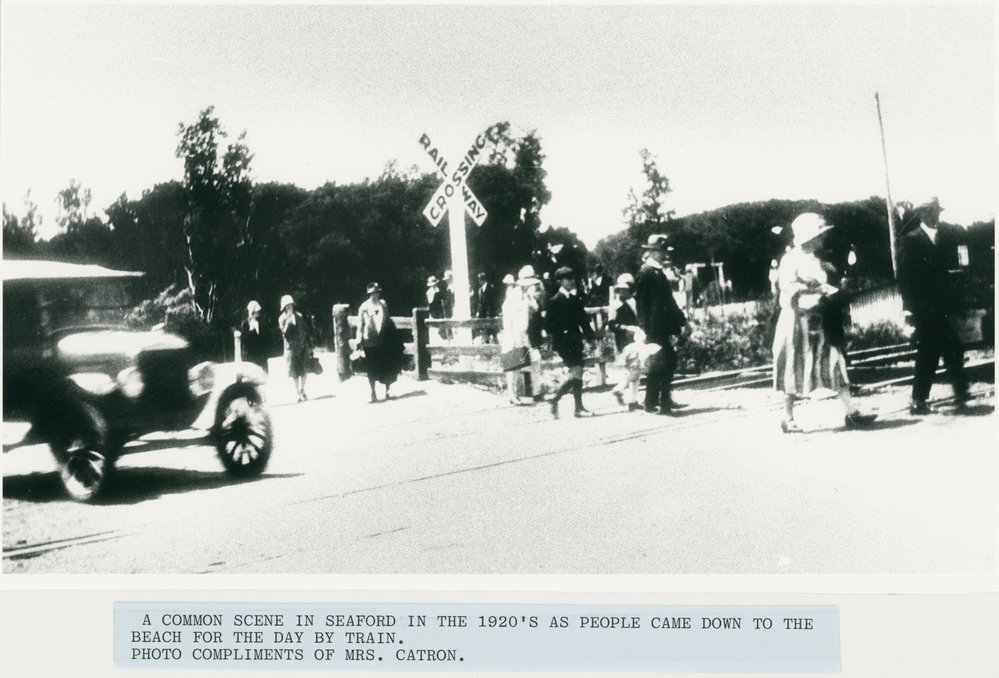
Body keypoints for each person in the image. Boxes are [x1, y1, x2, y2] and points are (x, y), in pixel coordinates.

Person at [772, 213, 877, 432]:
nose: (822, 239)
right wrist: (815, 289)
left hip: (820, 320)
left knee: (834, 361)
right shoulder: (790, 259)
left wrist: (832, 292)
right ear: (808, 236)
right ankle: (787, 417)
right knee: (793, 366)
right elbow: (788, 289)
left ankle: (851, 412)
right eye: (819, 235)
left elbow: (823, 285)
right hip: (797, 322)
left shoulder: (817, 258)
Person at [896, 197, 970, 415]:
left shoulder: (948, 236)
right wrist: (909, 308)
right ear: (921, 214)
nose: (934, 216)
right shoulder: (910, 240)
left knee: (937, 351)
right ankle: (953, 395)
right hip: (923, 308)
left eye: (936, 211)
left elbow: (958, 265)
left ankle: (924, 399)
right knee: (942, 349)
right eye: (929, 212)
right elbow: (903, 278)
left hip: (945, 305)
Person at [635, 235, 691, 415]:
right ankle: (652, 403)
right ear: (651, 252)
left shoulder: (659, 272)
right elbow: (641, 303)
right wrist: (644, 328)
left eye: (664, 251)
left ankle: (663, 400)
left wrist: (682, 320)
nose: (663, 255)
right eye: (660, 251)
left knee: (668, 363)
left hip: (664, 325)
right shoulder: (646, 272)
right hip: (653, 327)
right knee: (659, 363)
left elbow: (670, 301)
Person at [545, 266, 596, 418]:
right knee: (577, 370)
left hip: (575, 341)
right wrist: (562, 331)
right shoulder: (554, 301)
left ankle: (558, 399)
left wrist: (590, 337)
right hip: (563, 342)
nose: (571, 281)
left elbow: (583, 321)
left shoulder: (575, 299)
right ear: (560, 281)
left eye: (573, 278)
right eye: (568, 279)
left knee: (577, 372)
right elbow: (548, 325)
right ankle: (575, 406)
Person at [501, 266, 545, 404]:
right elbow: (508, 317)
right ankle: (512, 394)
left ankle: (537, 391)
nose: (532, 285)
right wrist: (513, 337)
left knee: (535, 359)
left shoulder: (527, 295)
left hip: (525, 334)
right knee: (513, 364)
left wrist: (533, 306)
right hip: (513, 333)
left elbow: (535, 308)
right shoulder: (513, 295)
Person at [358, 282, 404, 403]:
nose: (376, 294)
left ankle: (387, 390)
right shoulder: (364, 307)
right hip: (370, 342)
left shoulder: (383, 304)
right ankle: (373, 392)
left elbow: (387, 319)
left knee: (386, 366)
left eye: (378, 292)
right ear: (370, 294)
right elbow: (360, 326)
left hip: (383, 340)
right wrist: (359, 341)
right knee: (371, 368)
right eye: (374, 293)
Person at [608, 273, 644, 411]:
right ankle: (619, 389)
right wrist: (625, 328)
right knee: (635, 368)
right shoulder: (615, 305)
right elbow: (611, 325)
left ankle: (632, 401)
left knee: (636, 369)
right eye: (621, 289)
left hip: (637, 337)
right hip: (624, 340)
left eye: (626, 289)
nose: (624, 291)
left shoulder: (634, 301)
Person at [278, 294, 312, 402]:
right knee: (295, 372)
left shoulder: (299, 316)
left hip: (303, 346)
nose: (289, 308)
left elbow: (305, 331)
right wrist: (288, 323)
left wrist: (309, 346)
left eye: (290, 305)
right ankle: (297, 393)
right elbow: (284, 334)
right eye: (287, 306)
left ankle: (303, 389)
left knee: (305, 369)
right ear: (284, 307)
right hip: (291, 349)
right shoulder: (282, 319)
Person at [239, 300, 270, 372]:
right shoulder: (245, 324)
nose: (258, 313)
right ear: (252, 312)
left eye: (258, 311)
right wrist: (251, 330)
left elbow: (265, 338)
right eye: (256, 311)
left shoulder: (262, 322)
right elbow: (244, 339)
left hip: (261, 355)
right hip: (250, 355)